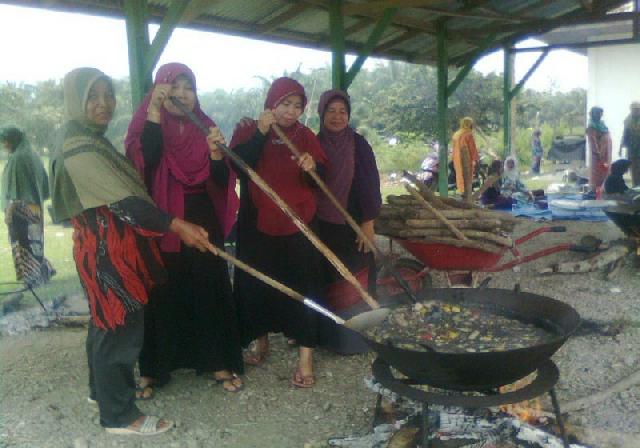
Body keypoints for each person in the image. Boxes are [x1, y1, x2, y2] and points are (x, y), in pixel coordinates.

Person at [50, 67, 212, 435]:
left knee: (104, 322)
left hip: (101, 244)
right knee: (119, 325)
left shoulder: (86, 136)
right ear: (76, 100)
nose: (103, 104)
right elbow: (125, 202)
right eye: (93, 97)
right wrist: (177, 225)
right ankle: (120, 416)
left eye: (108, 95)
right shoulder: (80, 146)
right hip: (107, 249)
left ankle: (102, 393)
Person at [125, 63, 244, 395]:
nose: (181, 94)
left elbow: (221, 181)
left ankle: (217, 361)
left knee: (208, 286)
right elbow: (144, 164)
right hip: (160, 218)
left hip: (201, 215)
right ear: (159, 91)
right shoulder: (147, 121)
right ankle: (154, 369)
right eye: (173, 87)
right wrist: (152, 110)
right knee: (160, 290)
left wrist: (217, 155)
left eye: (187, 87)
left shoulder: (206, 127)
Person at [230, 77, 327, 388]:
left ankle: (305, 359)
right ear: (272, 103)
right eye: (285, 104)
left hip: (300, 224)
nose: (291, 111)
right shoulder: (249, 129)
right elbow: (238, 166)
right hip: (258, 223)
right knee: (258, 286)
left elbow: (319, 179)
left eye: (297, 105)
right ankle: (261, 342)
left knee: (304, 288)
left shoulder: (306, 135)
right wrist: (260, 132)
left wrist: (312, 167)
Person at [314, 89, 382, 354]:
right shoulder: (314, 143)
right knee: (328, 279)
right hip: (322, 224)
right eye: (331, 111)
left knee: (357, 280)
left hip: (354, 225)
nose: (337, 117)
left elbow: (370, 185)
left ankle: (360, 338)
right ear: (321, 113)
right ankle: (332, 337)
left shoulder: (358, 145)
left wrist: (368, 222)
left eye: (343, 111)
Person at [1, 127, 55, 287]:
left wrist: (9, 211)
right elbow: (44, 185)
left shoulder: (18, 158)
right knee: (34, 243)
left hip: (21, 211)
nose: (4, 145)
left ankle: (31, 279)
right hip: (35, 208)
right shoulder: (33, 155)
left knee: (22, 245)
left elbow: (17, 191)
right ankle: (43, 274)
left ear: (13, 139)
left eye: (5, 141)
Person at [586, 106, 612, 192]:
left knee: (605, 173)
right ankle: (595, 192)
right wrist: (599, 154)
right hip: (598, 156)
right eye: (598, 113)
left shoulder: (601, 123)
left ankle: (603, 190)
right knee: (597, 175)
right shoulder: (591, 126)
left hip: (605, 154)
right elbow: (593, 142)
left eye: (601, 113)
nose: (600, 115)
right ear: (593, 114)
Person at [452, 117, 479, 199]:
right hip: (466, 159)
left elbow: (453, 147)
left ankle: (462, 193)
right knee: (467, 177)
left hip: (457, 158)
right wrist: (476, 159)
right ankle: (467, 196)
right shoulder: (468, 134)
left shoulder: (456, 134)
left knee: (460, 175)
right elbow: (472, 148)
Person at [620, 101, 640, 187]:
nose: (637, 111)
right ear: (631, 110)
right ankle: (636, 187)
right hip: (632, 148)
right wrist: (620, 147)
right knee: (634, 169)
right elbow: (625, 134)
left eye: (638, 109)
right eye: (635, 109)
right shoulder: (627, 120)